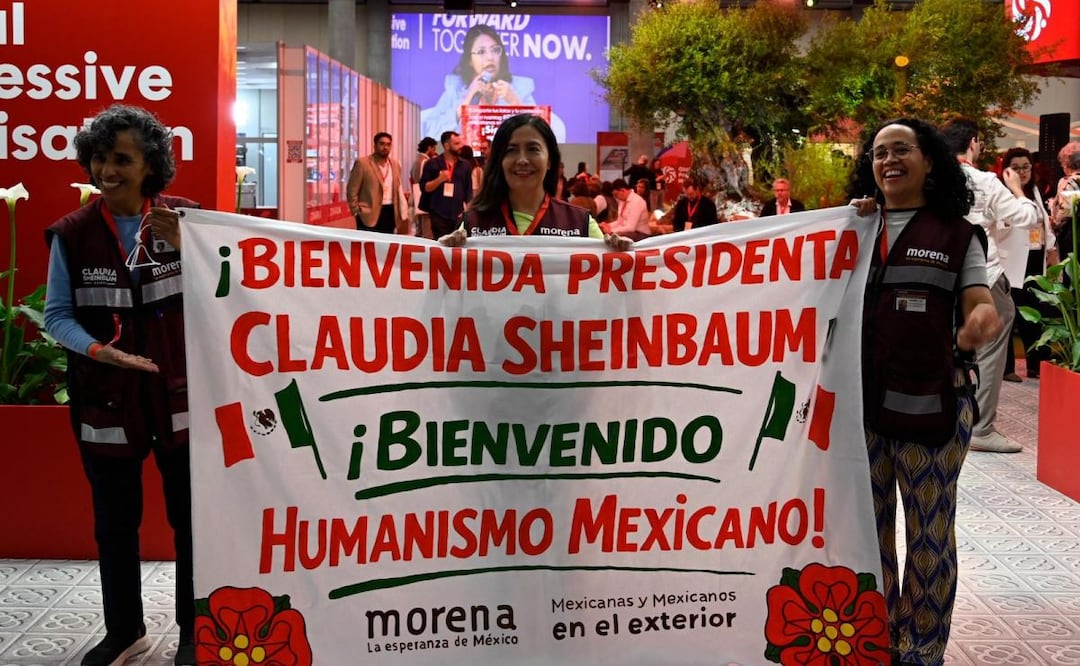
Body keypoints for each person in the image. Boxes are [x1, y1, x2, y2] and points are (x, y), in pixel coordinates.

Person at [42, 104, 196, 666]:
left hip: (181, 399)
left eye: (122, 160)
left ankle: (194, 633)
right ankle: (124, 632)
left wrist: (193, 248)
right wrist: (99, 351)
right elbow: (57, 315)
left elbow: (234, 291)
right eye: (100, 158)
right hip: (106, 400)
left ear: (150, 165)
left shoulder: (189, 221)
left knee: (192, 525)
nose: (107, 171)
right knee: (114, 524)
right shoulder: (73, 234)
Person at [849, 118, 1002, 666]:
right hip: (860, 412)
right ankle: (877, 639)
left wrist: (979, 322)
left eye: (901, 150)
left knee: (929, 536)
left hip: (933, 407)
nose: (889, 160)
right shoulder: (851, 231)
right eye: (879, 153)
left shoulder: (958, 235)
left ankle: (921, 649)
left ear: (930, 160)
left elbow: (980, 302)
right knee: (865, 534)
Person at [941, 117, 1039, 453]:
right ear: (973, 142)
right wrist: (1017, 189)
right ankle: (981, 427)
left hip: (941, 274)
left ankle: (945, 417)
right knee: (993, 345)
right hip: (984, 274)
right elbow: (1027, 217)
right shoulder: (985, 180)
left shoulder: (932, 178)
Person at [439, 113, 629, 250]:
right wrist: (447, 257)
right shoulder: (473, 225)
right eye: (511, 150)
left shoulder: (580, 224)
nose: (522, 160)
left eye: (533, 149)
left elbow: (610, 285)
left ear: (550, 160)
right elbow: (449, 288)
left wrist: (620, 257)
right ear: (499, 161)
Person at [420, 24, 566, 142]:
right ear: (469, 60)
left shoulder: (518, 90)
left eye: (495, 50)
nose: (490, 57)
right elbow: (431, 134)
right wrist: (467, 99)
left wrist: (514, 102)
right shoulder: (455, 89)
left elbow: (542, 134)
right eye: (481, 52)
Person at [999, 147, 1056, 379]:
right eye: (1016, 168)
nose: (1022, 172)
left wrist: (1051, 248)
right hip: (1011, 261)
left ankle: (1037, 364)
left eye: (1026, 167)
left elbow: (1044, 223)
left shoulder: (1034, 190)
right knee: (1010, 314)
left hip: (1035, 258)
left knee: (1035, 312)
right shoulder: (1003, 193)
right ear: (1006, 170)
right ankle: (1007, 368)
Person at [346, 131, 409, 234]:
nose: (385, 147)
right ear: (374, 145)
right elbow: (352, 189)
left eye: (388, 144)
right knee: (368, 243)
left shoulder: (395, 165)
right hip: (368, 213)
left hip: (390, 211)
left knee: (386, 242)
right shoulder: (363, 164)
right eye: (382, 144)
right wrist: (356, 211)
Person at [419, 130, 474, 238]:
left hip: (458, 213)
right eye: (456, 144)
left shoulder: (465, 165)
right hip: (438, 212)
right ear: (447, 145)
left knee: (457, 243)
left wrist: (469, 212)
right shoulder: (432, 164)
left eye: (460, 143)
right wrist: (439, 179)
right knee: (441, 242)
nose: (460, 146)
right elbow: (425, 188)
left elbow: (468, 191)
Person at [1050, 141, 1080, 262]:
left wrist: (1053, 222)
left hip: (1073, 234)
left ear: (1066, 164)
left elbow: (1065, 212)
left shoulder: (1067, 182)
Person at [410, 136, 438, 238]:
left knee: (420, 226)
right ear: (429, 148)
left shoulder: (417, 160)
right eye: (434, 148)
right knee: (426, 226)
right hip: (423, 194)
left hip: (416, 192)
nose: (434, 152)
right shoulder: (425, 161)